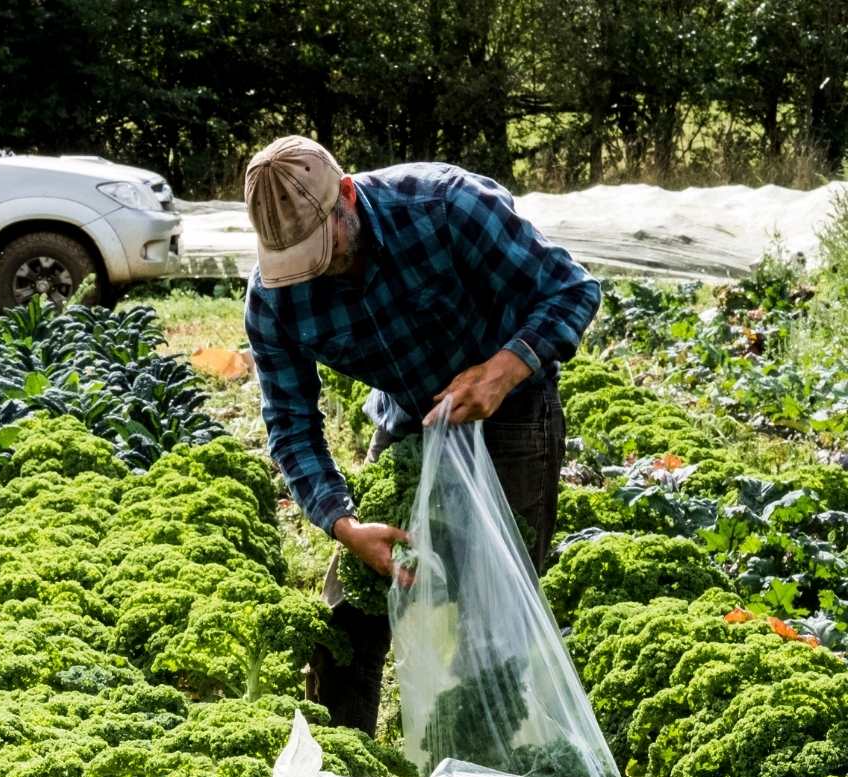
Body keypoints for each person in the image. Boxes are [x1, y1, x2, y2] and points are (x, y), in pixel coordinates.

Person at [242, 136, 601, 734]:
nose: (312, 270)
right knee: (346, 621)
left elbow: (572, 289)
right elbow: (290, 423)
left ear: (347, 196)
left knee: (494, 615)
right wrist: (344, 524)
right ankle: (341, 766)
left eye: (320, 249)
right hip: (409, 421)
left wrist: (503, 370)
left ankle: (493, 764)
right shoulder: (274, 300)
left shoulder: (446, 207)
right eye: (294, 259)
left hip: (512, 407)